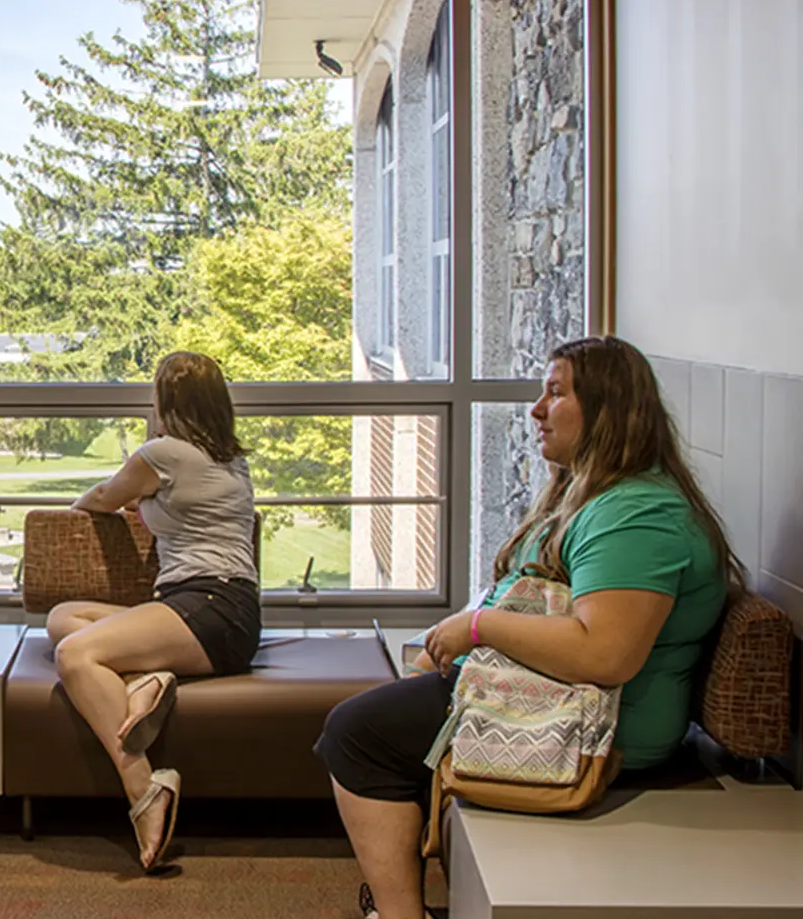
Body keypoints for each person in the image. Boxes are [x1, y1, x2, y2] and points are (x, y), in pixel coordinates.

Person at [314, 336, 743, 919]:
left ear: (609, 410)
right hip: (555, 702)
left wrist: (478, 629)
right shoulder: (596, 496)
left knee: (355, 733)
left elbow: (605, 653)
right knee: (386, 713)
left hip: (605, 733)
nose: (537, 410)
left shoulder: (638, 514)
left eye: (555, 393)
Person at [47, 350, 261, 872]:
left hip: (209, 604)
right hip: (221, 608)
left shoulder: (164, 452)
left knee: (75, 654)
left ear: (167, 403)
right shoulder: (231, 458)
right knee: (63, 617)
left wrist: (84, 510)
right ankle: (147, 681)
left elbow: (102, 496)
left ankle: (143, 788)